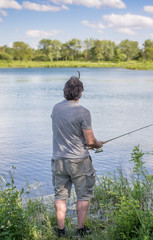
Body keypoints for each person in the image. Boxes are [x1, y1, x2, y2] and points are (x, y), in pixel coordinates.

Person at [51, 73, 103, 238]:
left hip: (59, 160)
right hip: (79, 161)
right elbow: (89, 141)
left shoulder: (56, 108)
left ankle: (61, 231)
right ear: (80, 92)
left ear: (65, 91)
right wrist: (98, 144)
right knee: (83, 195)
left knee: (60, 196)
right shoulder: (83, 112)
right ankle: (80, 230)